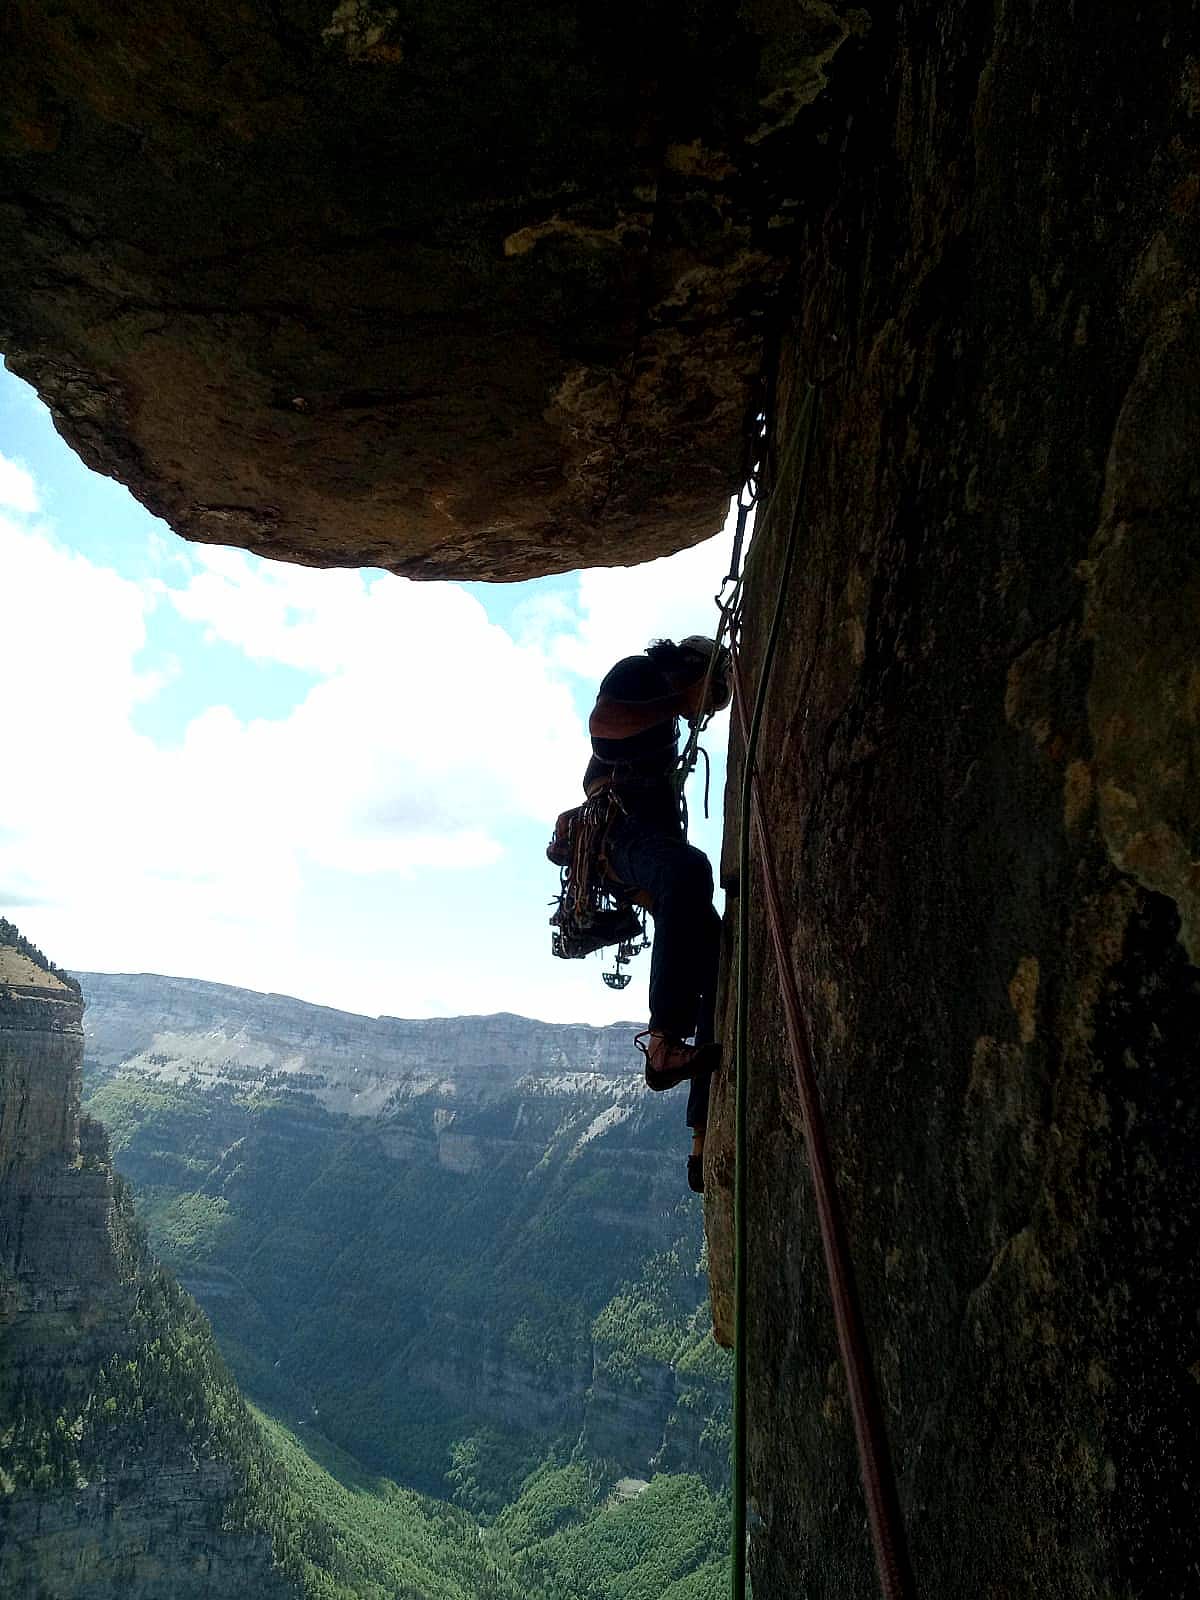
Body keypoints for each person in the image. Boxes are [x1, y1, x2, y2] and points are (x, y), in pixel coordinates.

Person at [585, 636, 731, 1193]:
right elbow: (604, 724)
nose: (706, 710)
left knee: (717, 950)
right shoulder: (639, 674)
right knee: (689, 872)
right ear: (687, 669)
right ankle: (665, 1042)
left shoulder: (669, 710)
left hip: (645, 841)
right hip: (618, 835)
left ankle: (700, 1134)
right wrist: (677, 701)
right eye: (708, 694)